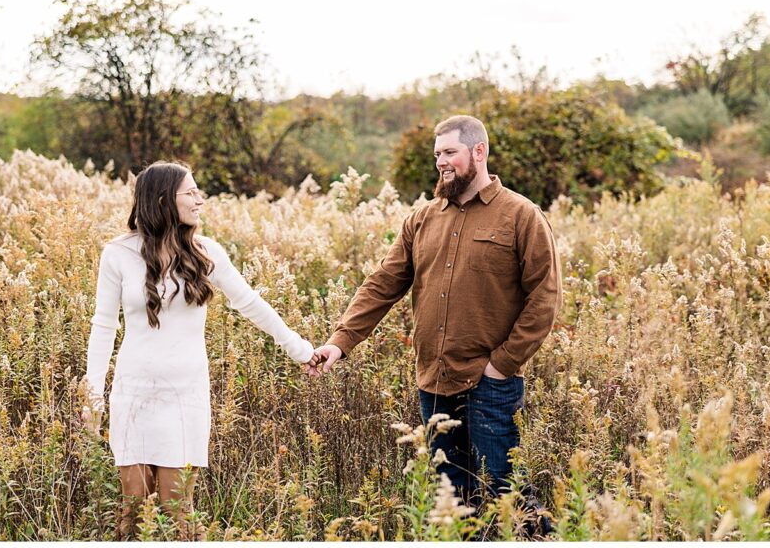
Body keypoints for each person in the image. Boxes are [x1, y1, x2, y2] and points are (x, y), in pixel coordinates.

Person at [308, 115, 561, 533]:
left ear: (478, 152)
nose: (441, 163)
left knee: (505, 492)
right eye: (437, 155)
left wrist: (500, 365)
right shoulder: (422, 219)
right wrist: (340, 342)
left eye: (450, 153)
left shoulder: (520, 216)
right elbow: (382, 284)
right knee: (451, 498)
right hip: (433, 383)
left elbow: (545, 298)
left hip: (491, 385)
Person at [82, 160, 319, 540]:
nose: (200, 200)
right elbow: (103, 325)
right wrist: (93, 394)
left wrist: (300, 349)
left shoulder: (206, 252)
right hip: (134, 394)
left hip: (184, 396)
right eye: (191, 192)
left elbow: (251, 303)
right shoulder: (118, 253)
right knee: (131, 514)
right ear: (162, 199)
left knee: (178, 512)